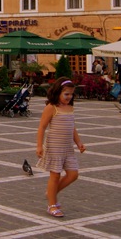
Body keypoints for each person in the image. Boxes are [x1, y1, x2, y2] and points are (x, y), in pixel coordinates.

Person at [36, 80, 86, 218]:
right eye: (66, 94)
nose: (69, 97)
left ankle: (51, 192)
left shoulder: (70, 107)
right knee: (55, 175)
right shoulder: (52, 107)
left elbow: (72, 127)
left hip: (68, 148)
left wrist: (79, 142)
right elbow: (42, 127)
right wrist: (39, 145)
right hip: (54, 147)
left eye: (71, 94)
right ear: (58, 92)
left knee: (73, 174)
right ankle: (52, 204)